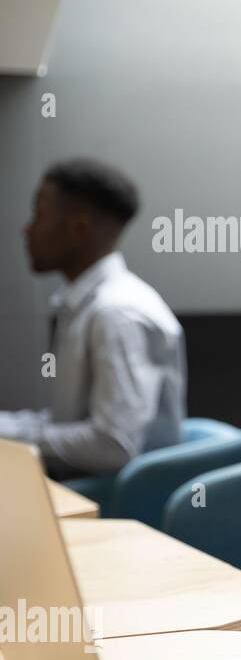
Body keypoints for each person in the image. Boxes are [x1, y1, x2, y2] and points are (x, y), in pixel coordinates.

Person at [0, 159, 186, 478]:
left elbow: (113, 445)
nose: (27, 229)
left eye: (40, 215)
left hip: (120, 507)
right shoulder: (85, 307)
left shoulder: (116, 315)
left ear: (79, 229)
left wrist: (14, 440)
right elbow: (69, 422)